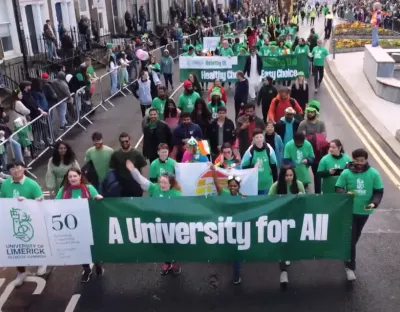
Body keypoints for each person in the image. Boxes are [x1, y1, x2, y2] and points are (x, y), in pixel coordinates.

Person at [126, 159, 182, 275]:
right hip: (158, 224)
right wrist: (133, 171)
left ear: (171, 184)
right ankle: (167, 262)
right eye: (161, 182)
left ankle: (175, 262)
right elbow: (142, 181)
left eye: (165, 183)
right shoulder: (154, 188)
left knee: (174, 245)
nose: (162, 185)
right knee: (162, 245)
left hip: (172, 225)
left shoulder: (177, 194)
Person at [335, 148, 384, 281]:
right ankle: (350, 267)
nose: (359, 163)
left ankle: (346, 252)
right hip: (349, 211)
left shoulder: (373, 173)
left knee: (355, 238)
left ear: (366, 160)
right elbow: (338, 187)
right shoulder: (346, 173)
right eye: (356, 160)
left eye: (361, 160)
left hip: (364, 211)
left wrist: (374, 203)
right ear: (353, 159)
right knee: (351, 240)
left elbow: (379, 191)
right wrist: (344, 194)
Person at [0, 161, 46, 286]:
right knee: (16, 247)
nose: (15, 170)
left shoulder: (32, 184)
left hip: (30, 221)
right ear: (9, 171)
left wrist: (31, 202)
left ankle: (41, 262)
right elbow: (2, 200)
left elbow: (40, 201)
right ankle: (21, 271)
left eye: (18, 167)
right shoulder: (5, 184)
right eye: (12, 168)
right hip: (12, 220)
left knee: (34, 243)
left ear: (24, 168)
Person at [55, 168, 103, 283]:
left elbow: (97, 199)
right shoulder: (63, 190)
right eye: (70, 176)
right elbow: (55, 203)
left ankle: (98, 264)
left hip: (89, 224)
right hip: (73, 227)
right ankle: (86, 270)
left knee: (93, 247)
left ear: (80, 176)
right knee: (80, 249)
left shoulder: (89, 188)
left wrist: (98, 198)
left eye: (75, 176)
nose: (72, 178)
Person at [268, 166, 305, 285]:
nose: (289, 178)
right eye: (286, 175)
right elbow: (269, 200)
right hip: (280, 219)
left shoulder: (298, 184)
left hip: (294, 218)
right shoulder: (276, 186)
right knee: (282, 242)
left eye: (291, 175)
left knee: (290, 240)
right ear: (282, 176)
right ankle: (283, 270)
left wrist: (301, 196)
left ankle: (287, 255)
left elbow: (305, 198)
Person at [209, 163, 244, 284]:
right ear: (228, 187)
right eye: (231, 186)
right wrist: (213, 170)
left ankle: (236, 275)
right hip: (225, 228)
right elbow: (216, 183)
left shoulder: (243, 198)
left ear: (239, 187)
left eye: (235, 185)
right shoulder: (224, 194)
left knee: (236, 254)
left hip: (237, 230)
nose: (233, 187)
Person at [109, 132, 147, 197]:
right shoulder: (115, 154)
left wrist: (142, 183)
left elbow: (142, 168)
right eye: (122, 141)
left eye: (126, 141)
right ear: (120, 142)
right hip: (122, 185)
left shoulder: (137, 153)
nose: (124, 143)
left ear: (129, 140)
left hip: (135, 184)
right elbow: (112, 169)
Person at [241, 128, 278, 194]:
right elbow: (243, 167)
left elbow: (274, 165)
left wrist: (276, 182)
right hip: (255, 185)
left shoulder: (268, 148)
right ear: (253, 139)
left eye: (261, 137)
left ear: (263, 137)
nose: (259, 139)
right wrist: (253, 166)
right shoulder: (250, 150)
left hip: (268, 184)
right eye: (256, 137)